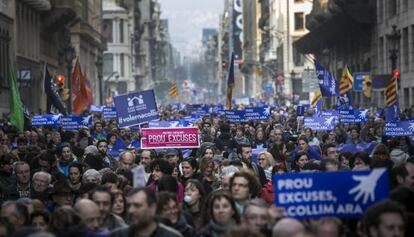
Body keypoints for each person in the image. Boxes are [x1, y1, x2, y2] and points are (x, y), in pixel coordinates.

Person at [110, 187, 182, 237]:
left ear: (153, 208)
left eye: (137, 205)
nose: (131, 210)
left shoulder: (171, 236)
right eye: (129, 206)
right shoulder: (117, 235)